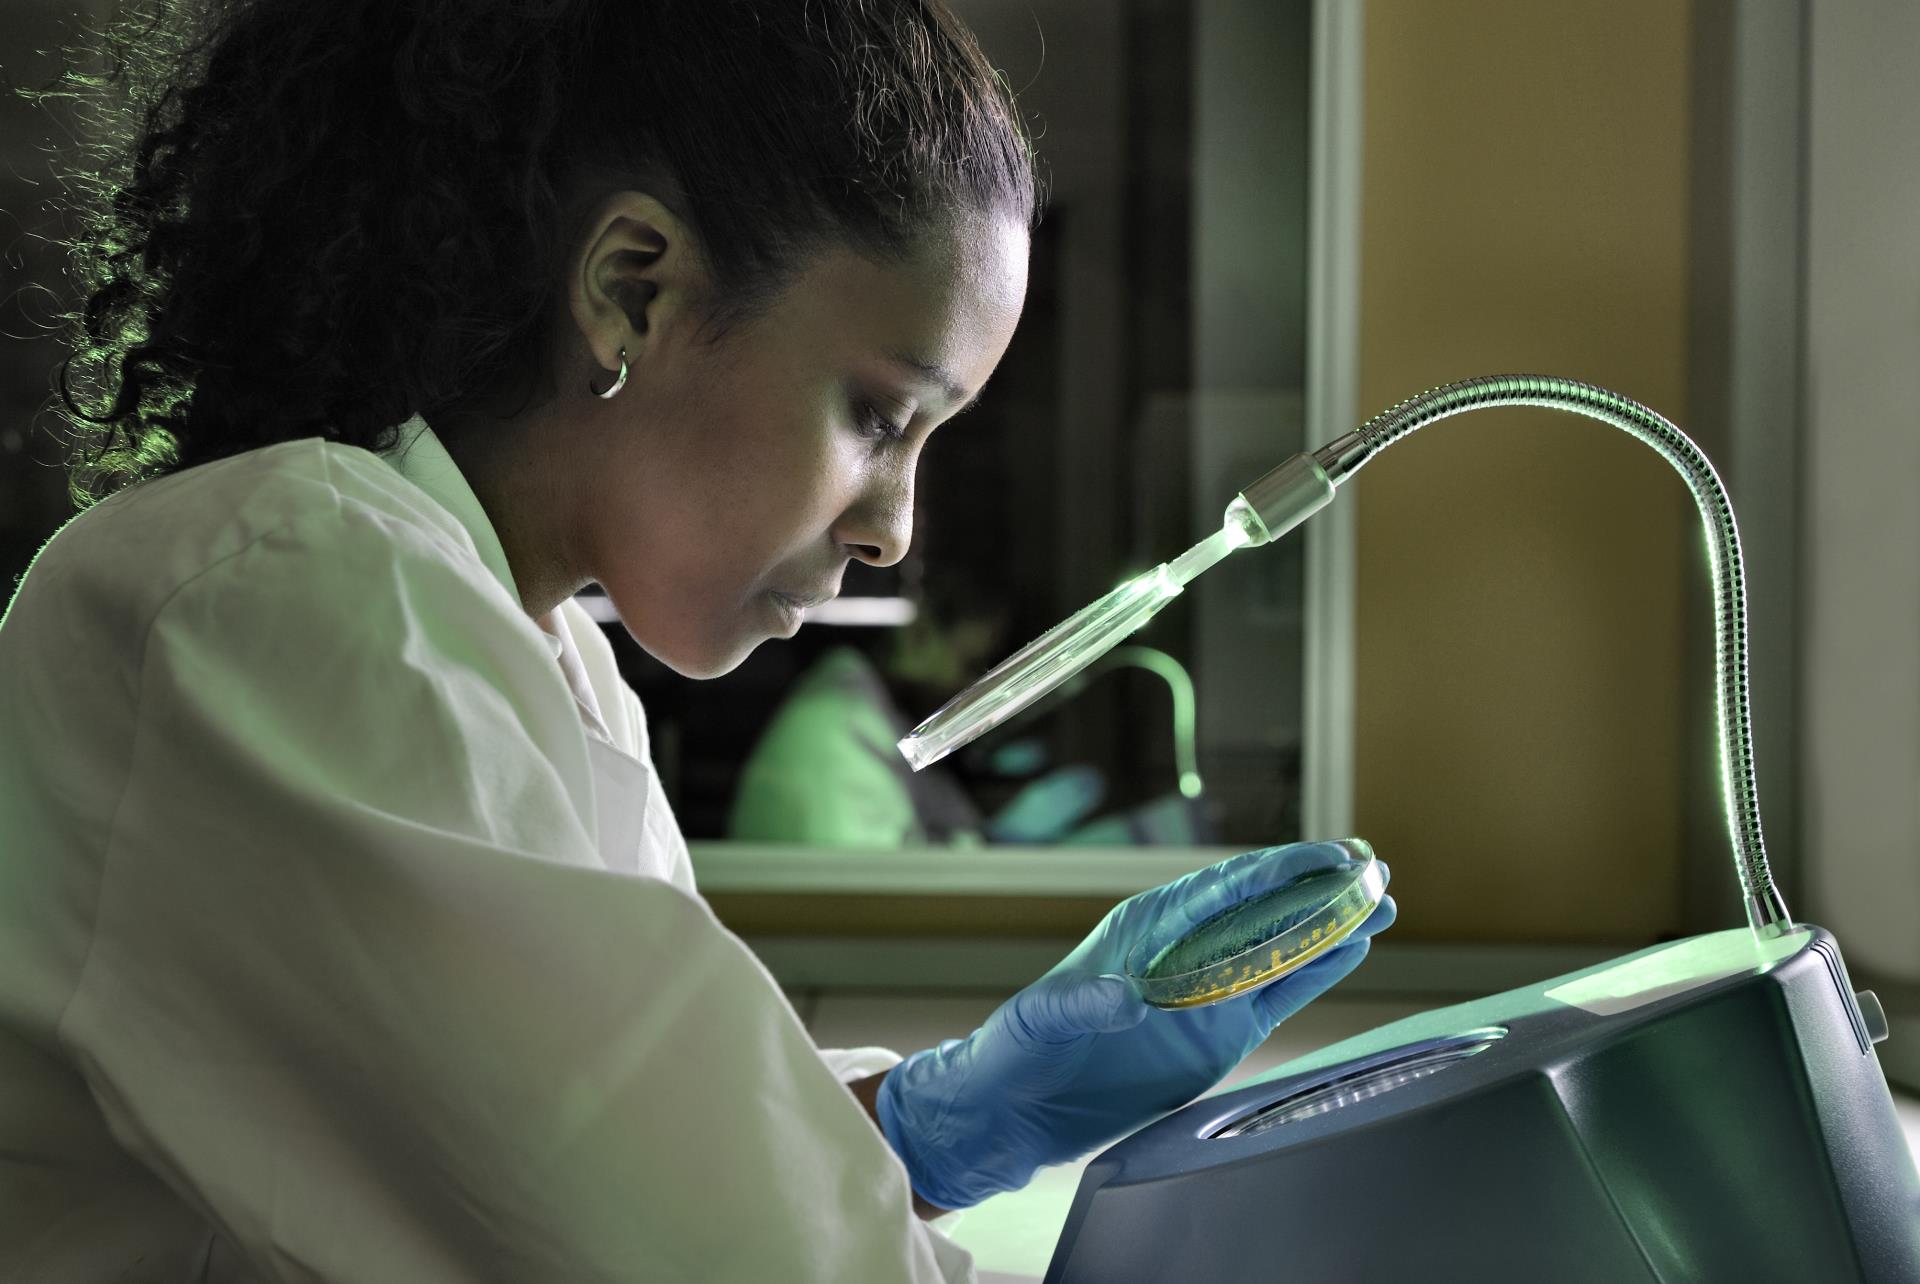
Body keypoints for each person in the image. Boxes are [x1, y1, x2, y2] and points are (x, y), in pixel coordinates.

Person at [0, 2, 1396, 1279]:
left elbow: (624, 1150)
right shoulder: (276, 599)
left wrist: (931, 1115)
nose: (893, 531)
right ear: (632, 291)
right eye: (878, 417)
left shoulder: (550, 665)